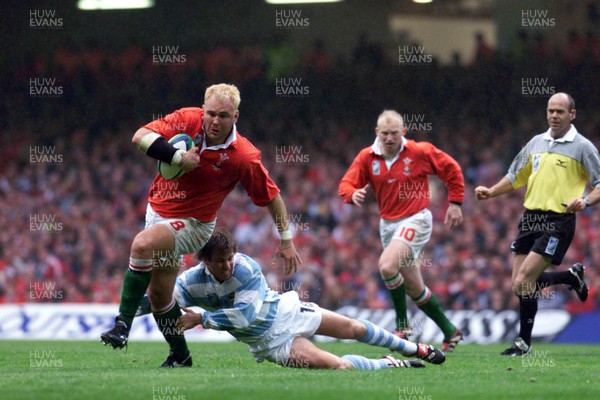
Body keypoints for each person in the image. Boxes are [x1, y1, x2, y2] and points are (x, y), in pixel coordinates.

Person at [101, 83, 301, 367]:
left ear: (236, 117)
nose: (215, 121)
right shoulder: (187, 118)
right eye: (210, 114)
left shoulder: (243, 156)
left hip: (194, 224)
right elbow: (140, 137)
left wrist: (287, 240)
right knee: (160, 298)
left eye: (223, 115)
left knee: (142, 244)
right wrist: (177, 157)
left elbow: (272, 196)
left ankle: (122, 324)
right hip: (156, 212)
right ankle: (180, 356)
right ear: (202, 110)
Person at [137, 228, 446, 370]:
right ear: (205, 260)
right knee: (339, 367)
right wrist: (127, 315)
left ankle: (416, 348)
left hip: (287, 311)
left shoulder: (245, 269)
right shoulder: (193, 282)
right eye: (220, 261)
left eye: (229, 257)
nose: (228, 264)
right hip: (272, 344)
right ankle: (391, 365)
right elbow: (160, 297)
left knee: (353, 328)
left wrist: (201, 318)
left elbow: (244, 316)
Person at [475, 92, 599, 356]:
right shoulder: (535, 143)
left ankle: (523, 343)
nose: (554, 116)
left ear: (572, 115)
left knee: (525, 278)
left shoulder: (583, 147)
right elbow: (515, 176)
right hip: (530, 218)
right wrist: (491, 191)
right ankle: (569, 277)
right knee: (518, 285)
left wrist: (585, 201)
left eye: (560, 112)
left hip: (558, 219)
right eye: (550, 110)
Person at [338, 110, 464, 352]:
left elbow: (452, 169)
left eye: (394, 133)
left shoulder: (420, 152)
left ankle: (403, 327)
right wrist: (351, 194)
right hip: (388, 225)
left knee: (386, 266)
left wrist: (456, 202)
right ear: (377, 133)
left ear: (403, 132)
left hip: (416, 219)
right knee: (415, 288)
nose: (389, 138)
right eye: (384, 133)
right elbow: (346, 183)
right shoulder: (367, 157)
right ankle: (451, 331)